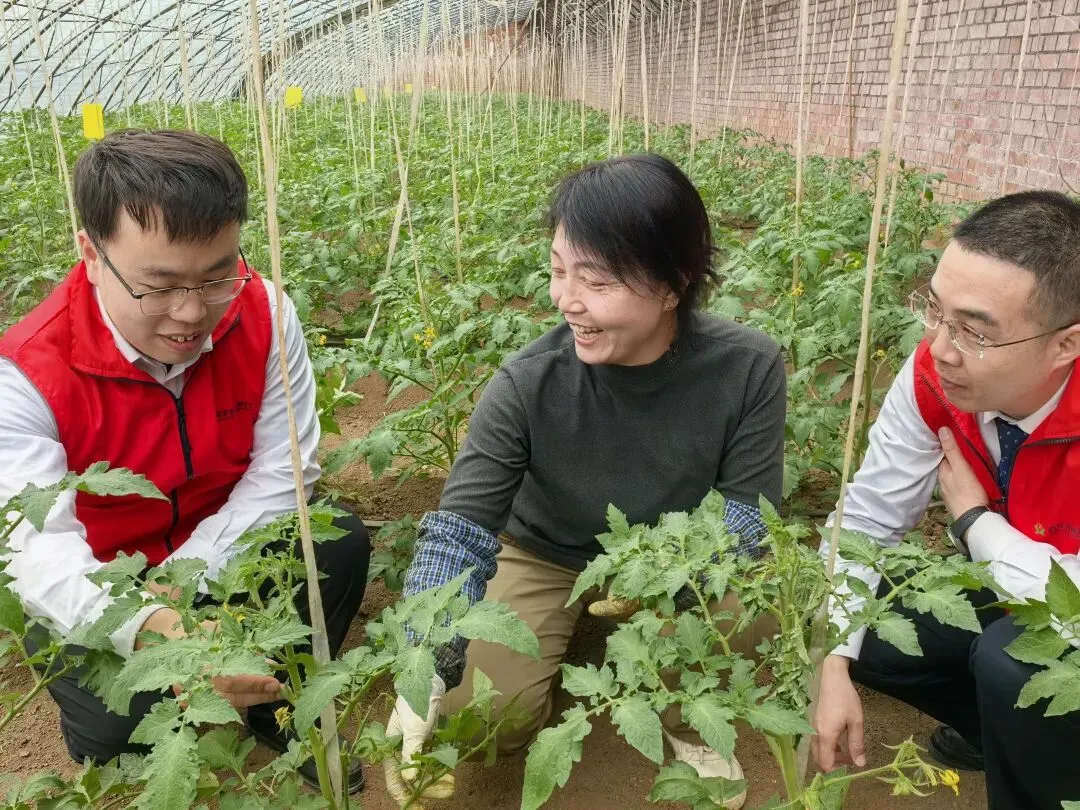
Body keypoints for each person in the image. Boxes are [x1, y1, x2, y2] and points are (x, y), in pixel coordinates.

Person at [386, 153, 787, 809]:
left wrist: (662, 572)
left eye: (595, 282)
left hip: (666, 553)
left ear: (673, 284)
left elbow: (750, 515)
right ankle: (540, 666)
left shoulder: (748, 367)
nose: (566, 300)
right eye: (557, 270)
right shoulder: (527, 382)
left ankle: (691, 719)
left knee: (753, 604)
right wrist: (423, 665)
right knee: (482, 715)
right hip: (542, 548)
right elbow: (458, 534)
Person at [0, 130, 370, 793]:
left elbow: (283, 473)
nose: (193, 312)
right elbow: (38, 552)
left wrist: (185, 581)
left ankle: (279, 705)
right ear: (91, 253)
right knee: (120, 735)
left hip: (216, 548)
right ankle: (144, 724)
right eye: (159, 285)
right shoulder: (26, 374)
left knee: (333, 545)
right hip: (102, 584)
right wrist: (153, 625)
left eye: (217, 274)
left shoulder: (262, 312)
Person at [811, 190, 1080, 810]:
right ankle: (1003, 734)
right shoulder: (935, 376)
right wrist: (832, 665)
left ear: (1065, 344)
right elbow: (867, 521)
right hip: (1025, 572)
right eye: (934, 311)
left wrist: (975, 523)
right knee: (870, 624)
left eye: (974, 331)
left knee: (1015, 662)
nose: (939, 347)